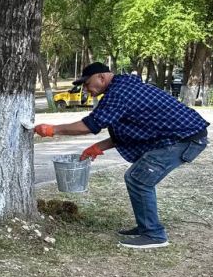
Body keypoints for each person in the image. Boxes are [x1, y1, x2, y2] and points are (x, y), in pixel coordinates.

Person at [33, 62, 208, 250]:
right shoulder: (123, 88)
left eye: (86, 82)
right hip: (181, 137)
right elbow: (131, 130)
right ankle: (145, 227)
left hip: (185, 140)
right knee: (137, 178)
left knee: (138, 179)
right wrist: (98, 147)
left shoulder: (119, 93)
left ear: (101, 77)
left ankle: (154, 235)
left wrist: (53, 129)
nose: (84, 88)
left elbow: (91, 125)